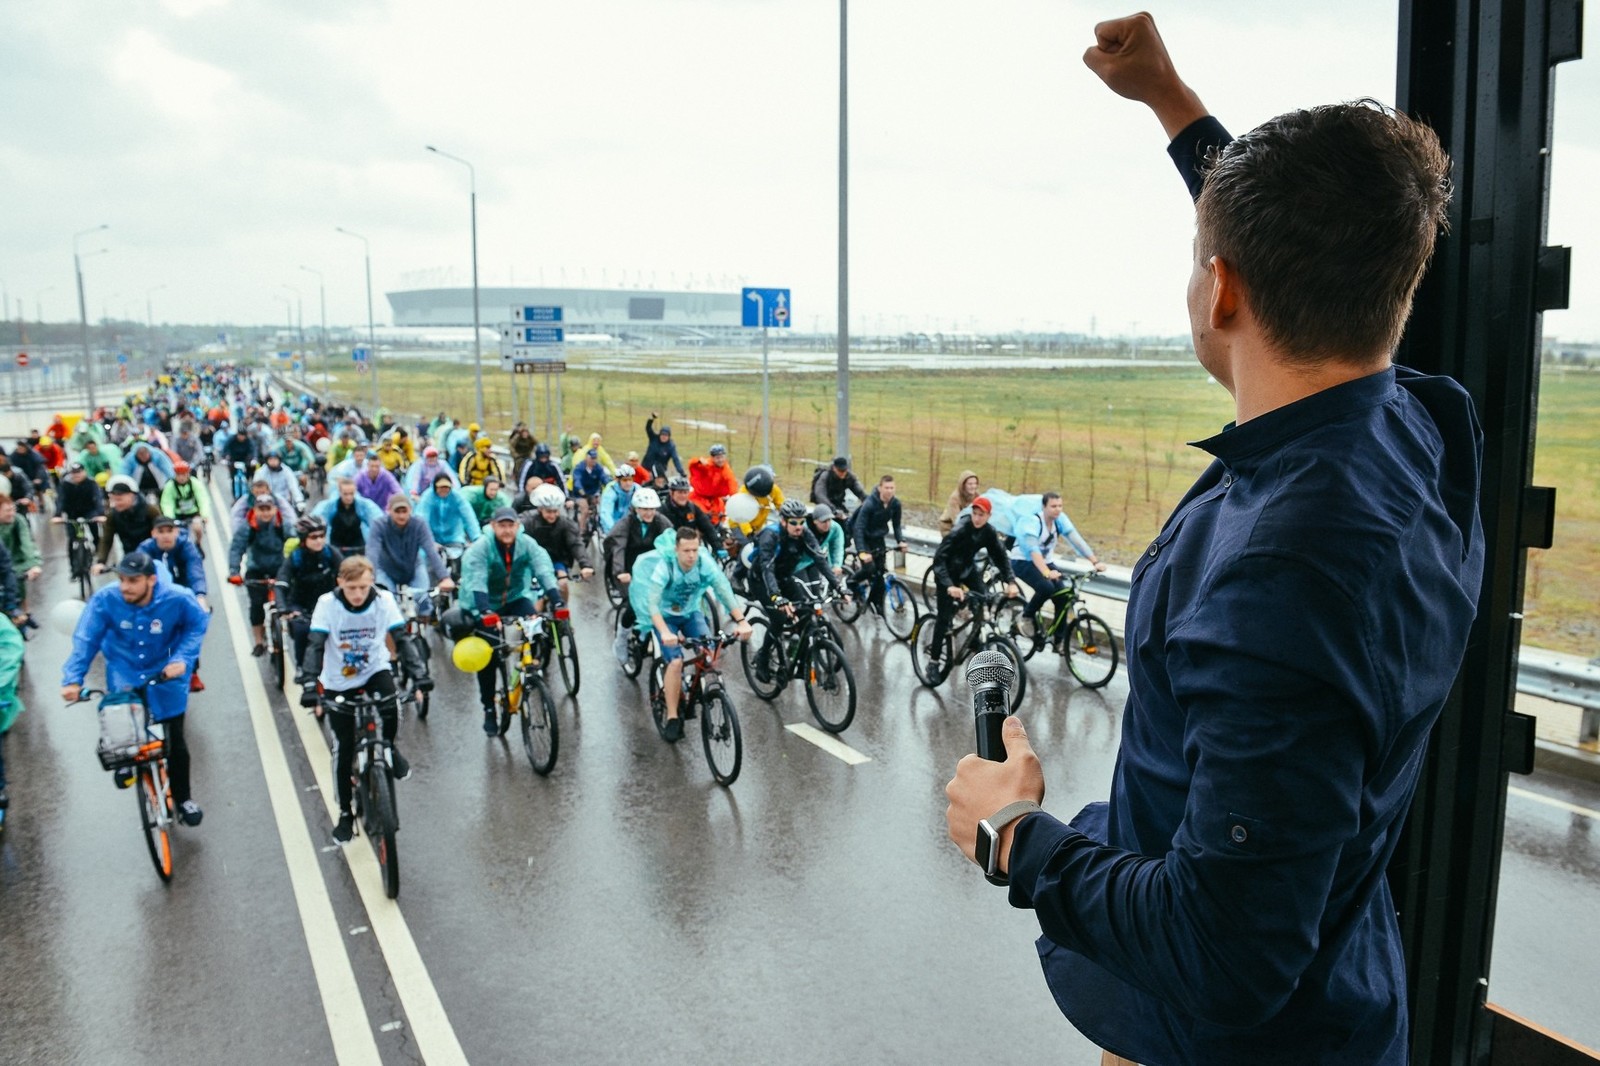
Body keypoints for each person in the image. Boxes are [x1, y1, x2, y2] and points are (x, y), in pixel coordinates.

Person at [943, 14, 1484, 1064]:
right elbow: (1306, 236)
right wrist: (1170, 101)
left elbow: (1223, 949)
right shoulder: (1429, 426)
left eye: (1203, 258)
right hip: (1344, 988)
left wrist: (1015, 838)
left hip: (1213, 1041)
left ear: (1223, 289)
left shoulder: (1274, 583)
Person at [61, 551, 210, 826]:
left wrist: (182, 659)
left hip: (165, 671)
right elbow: (86, 638)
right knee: (123, 726)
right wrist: (73, 678)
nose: (125, 587)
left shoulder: (178, 597)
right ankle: (129, 762)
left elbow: (197, 624)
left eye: (133, 581)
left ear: (151, 580)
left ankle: (183, 799)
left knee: (174, 739)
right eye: (121, 580)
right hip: (124, 670)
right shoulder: (106, 600)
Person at [297, 555, 418, 846]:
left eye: (364, 587)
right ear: (340, 583)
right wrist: (311, 684)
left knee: (391, 706)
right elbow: (315, 645)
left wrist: (420, 673)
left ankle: (389, 747)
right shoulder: (327, 604)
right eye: (352, 588)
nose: (358, 594)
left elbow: (401, 638)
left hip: (374, 669)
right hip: (340, 679)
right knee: (344, 746)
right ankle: (345, 813)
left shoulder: (384, 600)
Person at [632, 526, 751, 742]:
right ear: (677, 549)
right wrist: (665, 632)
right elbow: (652, 604)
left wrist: (741, 621)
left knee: (709, 653)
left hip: (690, 612)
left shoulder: (703, 563)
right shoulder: (665, 566)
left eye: (695, 550)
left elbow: (722, 589)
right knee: (675, 663)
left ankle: (700, 689)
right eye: (686, 551)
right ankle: (672, 716)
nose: (691, 556)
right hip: (665, 617)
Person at [455, 507, 563, 735]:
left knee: (536, 625)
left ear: (517, 526)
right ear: (493, 526)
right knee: (489, 656)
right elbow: (477, 579)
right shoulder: (482, 547)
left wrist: (557, 600)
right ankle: (489, 709)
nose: (506, 530)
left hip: (514, 598)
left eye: (510, 525)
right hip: (481, 603)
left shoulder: (526, 543)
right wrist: (484, 611)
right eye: (501, 525)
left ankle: (529, 667)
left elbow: (543, 568)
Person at [925, 497, 1017, 675]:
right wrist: (950, 586)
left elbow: (1000, 557)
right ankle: (933, 661)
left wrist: (1011, 581)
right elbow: (938, 560)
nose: (977, 518)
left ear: (989, 516)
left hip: (967, 570)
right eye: (974, 514)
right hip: (947, 573)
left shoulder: (988, 531)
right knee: (944, 619)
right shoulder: (960, 530)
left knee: (983, 599)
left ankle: (975, 638)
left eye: (981, 515)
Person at [1007, 492, 1104, 638]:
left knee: (1063, 596)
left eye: (1060, 506)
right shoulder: (1032, 522)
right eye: (1053, 506)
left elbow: (1076, 540)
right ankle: (1026, 616)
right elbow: (1033, 551)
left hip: (1045, 561)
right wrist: (1047, 573)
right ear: (1044, 507)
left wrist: (1095, 561)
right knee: (1046, 587)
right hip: (1022, 561)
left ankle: (1059, 640)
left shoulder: (1059, 521)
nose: (1057, 509)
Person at [365, 493, 453, 617]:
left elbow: (431, 551)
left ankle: (424, 629)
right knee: (386, 604)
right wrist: (369, 576)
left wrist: (444, 577)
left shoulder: (419, 524)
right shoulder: (379, 525)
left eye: (404, 511)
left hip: (413, 567)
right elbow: (372, 551)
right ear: (389, 510)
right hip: (386, 569)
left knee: (423, 601)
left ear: (410, 510)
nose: (401, 515)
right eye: (397, 511)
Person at [227, 495, 289, 654]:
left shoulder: (282, 525)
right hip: (256, 571)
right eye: (261, 509)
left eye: (269, 509)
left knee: (289, 602)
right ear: (255, 510)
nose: (266, 513)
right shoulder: (248, 527)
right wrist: (234, 571)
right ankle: (259, 642)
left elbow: (296, 541)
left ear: (275, 509)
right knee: (256, 606)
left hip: (279, 569)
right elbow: (236, 548)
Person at [519, 484, 593, 603]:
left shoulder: (565, 523)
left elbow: (576, 544)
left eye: (555, 511)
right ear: (540, 509)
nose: (552, 515)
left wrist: (585, 565)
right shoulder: (527, 521)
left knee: (562, 584)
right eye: (548, 511)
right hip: (531, 561)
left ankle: (563, 616)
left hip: (556, 561)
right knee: (534, 596)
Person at [849, 475, 907, 614]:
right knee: (869, 568)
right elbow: (859, 528)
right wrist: (862, 551)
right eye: (886, 488)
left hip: (878, 539)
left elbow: (897, 525)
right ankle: (851, 582)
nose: (889, 491)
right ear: (880, 488)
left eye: (892, 488)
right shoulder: (870, 504)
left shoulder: (895, 504)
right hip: (864, 539)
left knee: (880, 573)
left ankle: (877, 603)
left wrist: (901, 541)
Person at [94, 477, 159, 571]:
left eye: (119, 500)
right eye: (113, 500)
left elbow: (162, 532)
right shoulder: (113, 515)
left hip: (153, 555)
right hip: (129, 555)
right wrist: (101, 562)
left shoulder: (150, 510)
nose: (115, 504)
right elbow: (106, 540)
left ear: (132, 496)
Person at [314, 477, 383, 556]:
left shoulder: (364, 505)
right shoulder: (329, 506)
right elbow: (318, 520)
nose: (349, 497)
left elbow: (376, 519)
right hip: (336, 546)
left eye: (351, 494)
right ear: (339, 492)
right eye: (345, 494)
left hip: (358, 546)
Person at [0, 495, 42, 624]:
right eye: (7, 511)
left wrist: (34, 564)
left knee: (16, 583)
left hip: (16, 561)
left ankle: (24, 613)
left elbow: (27, 543)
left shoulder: (18, 521)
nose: (11, 513)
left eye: (13, 509)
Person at [660, 475, 722, 556]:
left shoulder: (692, 508)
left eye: (685, 492)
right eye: (680, 492)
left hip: (690, 549)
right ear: (671, 493)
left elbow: (707, 527)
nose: (683, 496)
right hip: (670, 550)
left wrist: (718, 547)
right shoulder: (663, 510)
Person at [416, 473, 482, 548]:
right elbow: (422, 519)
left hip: (453, 538)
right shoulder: (427, 497)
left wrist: (477, 539)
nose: (444, 490)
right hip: (432, 538)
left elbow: (469, 517)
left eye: (446, 487)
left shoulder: (457, 497)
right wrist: (428, 541)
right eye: (441, 487)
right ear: (435, 487)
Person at [160, 460, 210, 545]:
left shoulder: (195, 483)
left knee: (197, 528)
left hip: (193, 513)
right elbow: (167, 503)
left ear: (188, 474)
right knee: (176, 534)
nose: (181, 477)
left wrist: (204, 515)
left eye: (184, 474)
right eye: (179, 475)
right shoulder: (170, 486)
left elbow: (203, 499)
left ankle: (198, 543)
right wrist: (170, 518)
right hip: (178, 514)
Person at [729, 464, 785, 540]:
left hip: (758, 526)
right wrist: (749, 533)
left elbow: (781, 504)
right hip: (739, 525)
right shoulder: (744, 492)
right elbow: (741, 516)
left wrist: (787, 517)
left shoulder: (773, 489)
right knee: (747, 546)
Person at [688, 442, 738, 524]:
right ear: (712, 458)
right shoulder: (706, 465)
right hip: (698, 498)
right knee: (697, 514)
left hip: (715, 501)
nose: (720, 460)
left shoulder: (726, 470)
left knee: (719, 518)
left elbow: (732, 484)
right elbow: (693, 465)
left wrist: (735, 498)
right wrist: (698, 462)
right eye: (717, 458)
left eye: (722, 457)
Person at [569, 448, 612, 531]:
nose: (593, 460)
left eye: (595, 458)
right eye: (591, 458)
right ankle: (582, 531)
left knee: (602, 505)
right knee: (585, 509)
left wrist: (609, 485)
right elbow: (577, 481)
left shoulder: (598, 468)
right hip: (580, 494)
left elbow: (604, 477)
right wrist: (582, 493)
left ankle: (602, 525)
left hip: (593, 492)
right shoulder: (579, 468)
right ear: (586, 458)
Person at [597, 464, 638, 535]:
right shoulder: (611, 491)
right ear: (618, 480)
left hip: (630, 526)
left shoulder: (637, 489)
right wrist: (614, 531)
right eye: (624, 480)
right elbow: (606, 513)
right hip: (614, 525)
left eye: (630, 480)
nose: (628, 483)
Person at [641, 413, 685, 481]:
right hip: (645, 468)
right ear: (659, 434)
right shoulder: (654, 438)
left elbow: (675, 459)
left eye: (666, 435)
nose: (663, 437)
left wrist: (681, 471)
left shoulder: (671, 446)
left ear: (669, 436)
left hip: (659, 471)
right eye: (662, 435)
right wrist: (652, 418)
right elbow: (648, 428)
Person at [938, 470, 982, 535]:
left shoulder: (977, 495)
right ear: (963, 485)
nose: (973, 486)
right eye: (970, 484)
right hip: (949, 526)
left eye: (975, 483)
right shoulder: (955, 498)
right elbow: (956, 520)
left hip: (968, 524)